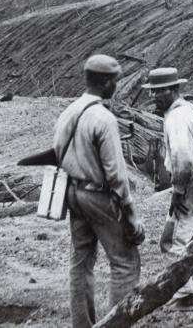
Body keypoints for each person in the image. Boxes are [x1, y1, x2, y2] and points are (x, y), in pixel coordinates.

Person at [53, 54, 146, 328]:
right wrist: (130, 214)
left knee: (80, 263)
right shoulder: (103, 118)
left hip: (72, 193)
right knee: (125, 263)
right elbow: (116, 175)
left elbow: (58, 154)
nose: (116, 86)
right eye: (115, 81)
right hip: (99, 197)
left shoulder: (67, 112)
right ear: (105, 83)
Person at [143, 66, 193, 309]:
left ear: (174, 90)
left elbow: (184, 159)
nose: (153, 96)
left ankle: (185, 298)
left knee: (173, 240)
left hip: (191, 185)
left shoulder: (176, 118)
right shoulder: (187, 111)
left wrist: (178, 190)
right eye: (152, 92)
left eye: (159, 92)